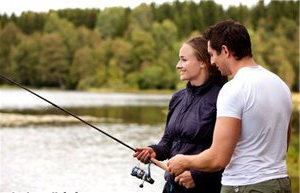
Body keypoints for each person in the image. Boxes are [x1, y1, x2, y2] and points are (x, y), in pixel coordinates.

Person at [167, 20, 293, 193]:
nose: (212, 61)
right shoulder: (280, 85)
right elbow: (284, 141)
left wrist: (184, 161)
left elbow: (218, 158)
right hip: (280, 182)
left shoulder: (234, 89)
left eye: (212, 54)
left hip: (244, 186)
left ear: (225, 51)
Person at [133, 36, 226, 193]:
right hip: (171, 186)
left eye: (183, 60)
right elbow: (168, 142)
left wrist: (197, 176)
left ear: (203, 62)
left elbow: (227, 151)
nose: (178, 65)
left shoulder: (222, 97)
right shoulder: (178, 98)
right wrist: (153, 151)